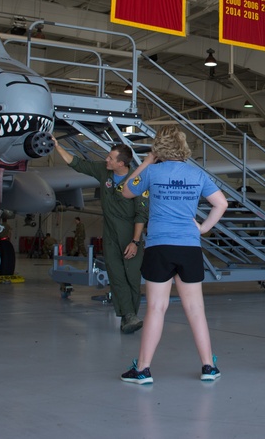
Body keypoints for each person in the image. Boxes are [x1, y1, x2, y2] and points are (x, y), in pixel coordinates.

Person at [118, 125, 228, 384]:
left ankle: (143, 369)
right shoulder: (196, 173)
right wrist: (202, 228)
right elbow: (221, 203)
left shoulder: (153, 172)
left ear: (159, 148)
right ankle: (208, 366)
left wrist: (145, 162)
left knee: (156, 308)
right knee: (196, 308)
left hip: (160, 246)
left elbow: (126, 190)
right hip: (189, 246)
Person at [54, 138, 149, 334]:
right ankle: (128, 316)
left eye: (111, 158)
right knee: (116, 275)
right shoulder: (104, 171)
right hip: (110, 232)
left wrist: (135, 241)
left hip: (130, 232)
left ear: (121, 163)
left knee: (131, 276)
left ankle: (130, 314)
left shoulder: (137, 180)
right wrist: (56, 146)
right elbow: (77, 164)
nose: (106, 160)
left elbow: (141, 214)